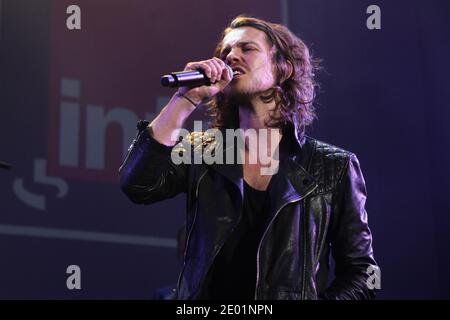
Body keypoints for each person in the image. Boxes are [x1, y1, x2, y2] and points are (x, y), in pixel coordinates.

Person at [119, 16, 379, 300]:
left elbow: (361, 275)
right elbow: (138, 184)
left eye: (247, 48)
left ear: (284, 69)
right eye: (226, 51)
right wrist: (185, 99)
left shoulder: (333, 166)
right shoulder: (203, 150)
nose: (231, 56)